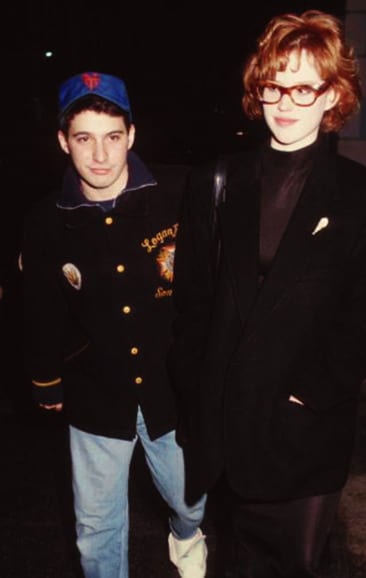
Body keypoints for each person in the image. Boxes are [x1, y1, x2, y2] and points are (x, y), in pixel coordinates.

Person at [169, 10, 366, 578]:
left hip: (304, 431)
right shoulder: (216, 182)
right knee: (240, 562)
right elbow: (192, 305)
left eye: (303, 88)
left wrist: (309, 392)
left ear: (333, 95)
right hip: (229, 426)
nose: (285, 102)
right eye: (274, 85)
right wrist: (199, 397)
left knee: (298, 565)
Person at [21, 71, 207, 578]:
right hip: (96, 391)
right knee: (96, 526)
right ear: (64, 141)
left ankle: (187, 534)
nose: (100, 155)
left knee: (189, 499)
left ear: (132, 135)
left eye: (113, 137)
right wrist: (45, 377)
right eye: (84, 138)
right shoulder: (45, 220)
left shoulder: (182, 192)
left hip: (173, 385)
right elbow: (40, 305)